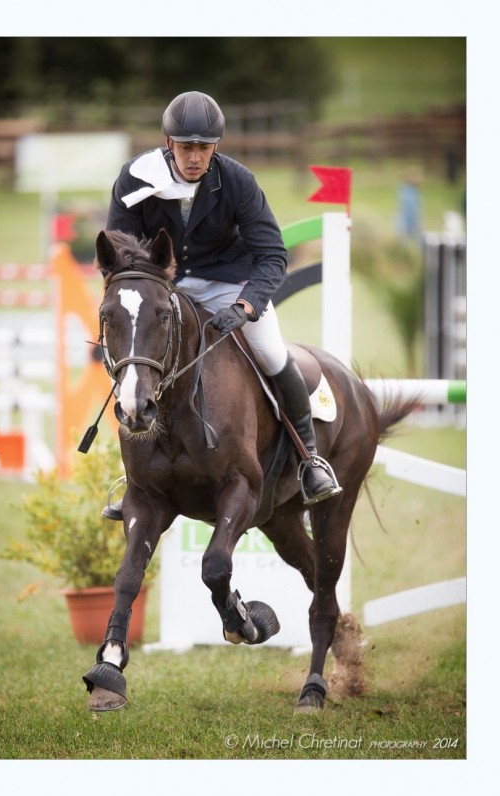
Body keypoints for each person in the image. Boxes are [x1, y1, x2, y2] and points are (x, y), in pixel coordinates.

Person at [101, 91, 341, 520]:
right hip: (166, 288)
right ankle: (135, 481)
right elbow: (121, 256)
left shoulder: (237, 181)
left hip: (231, 284)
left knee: (270, 351)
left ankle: (309, 459)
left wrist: (248, 306)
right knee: (137, 356)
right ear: (168, 142)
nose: (195, 157)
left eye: (204, 147)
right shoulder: (136, 178)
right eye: (186, 146)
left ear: (216, 146)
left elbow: (272, 254)